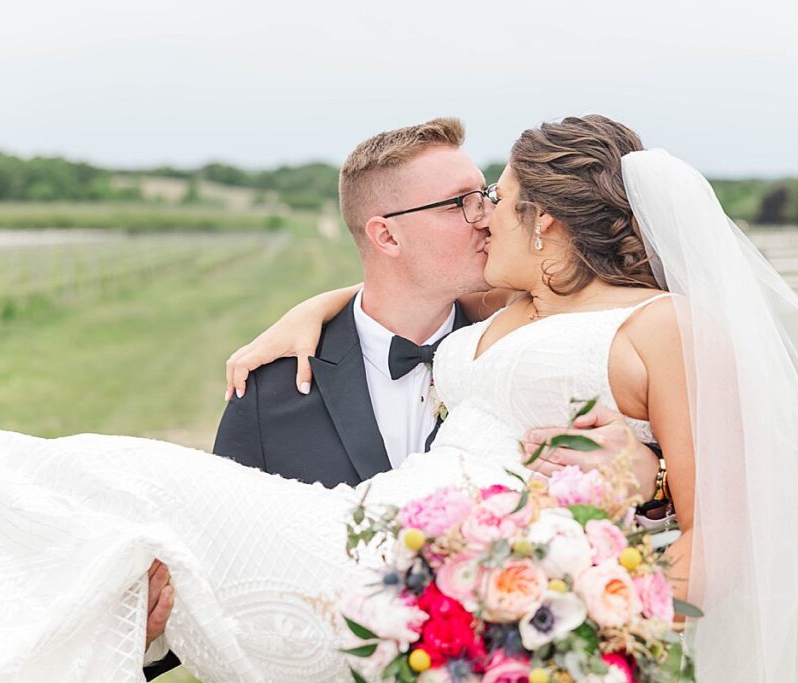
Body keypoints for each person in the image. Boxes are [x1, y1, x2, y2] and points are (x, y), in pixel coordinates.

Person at [0, 116, 798, 683]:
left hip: (418, 573)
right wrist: (310, 308)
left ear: (547, 224)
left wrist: (611, 626)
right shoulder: (504, 305)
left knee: (116, 480)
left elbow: (714, 522)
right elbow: (387, 287)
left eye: (493, 200)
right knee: (80, 481)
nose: (480, 216)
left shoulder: (663, 327)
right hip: (371, 528)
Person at [144, 118, 663, 678]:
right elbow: (219, 571)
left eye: (486, 195)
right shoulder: (271, 392)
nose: (487, 215)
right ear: (386, 236)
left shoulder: (536, 342)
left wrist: (652, 478)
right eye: (460, 203)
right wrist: (145, 634)